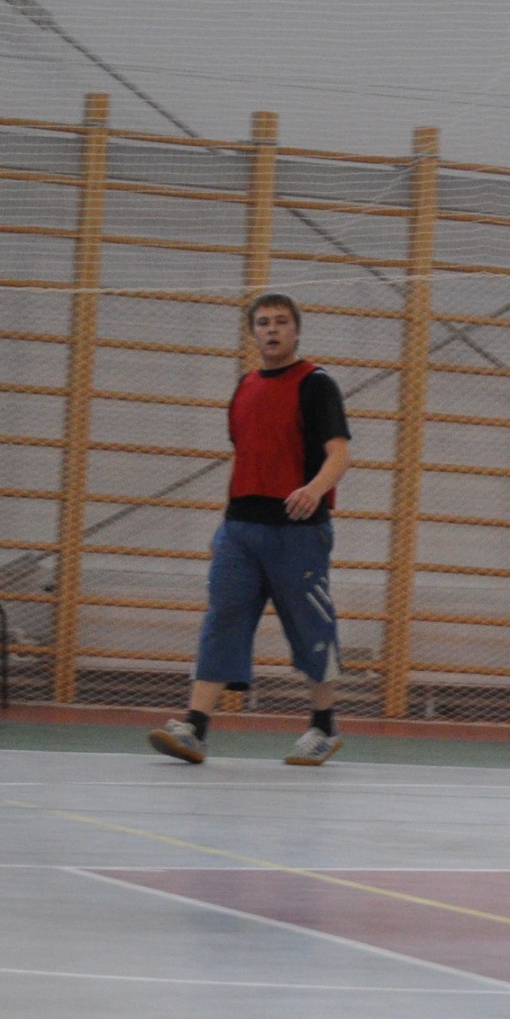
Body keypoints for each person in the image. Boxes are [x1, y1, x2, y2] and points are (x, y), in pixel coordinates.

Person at [150, 292, 351, 767]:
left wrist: (314, 489)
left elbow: (340, 454)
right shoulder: (245, 387)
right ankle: (195, 727)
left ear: (296, 330)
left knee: (311, 626)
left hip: (297, 531)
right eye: (263, 322)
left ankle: (323, 726)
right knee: (223, 618)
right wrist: (228, 524)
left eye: (281, 321)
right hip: (241, 530)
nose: (272, 329)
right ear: (253, 333)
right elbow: (250, 457)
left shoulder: (316, 384)